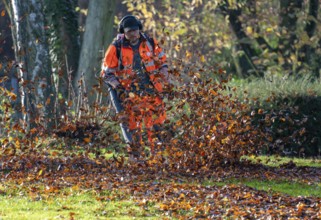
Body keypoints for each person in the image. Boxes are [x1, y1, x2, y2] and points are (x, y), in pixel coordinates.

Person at [101, 15, 169, 158]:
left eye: (135, 30)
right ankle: (135, 155)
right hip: (123, 90)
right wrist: (118, 88)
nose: (133, 33)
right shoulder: (116, 47)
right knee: (129, 123)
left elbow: (162, 61)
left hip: (149, 87)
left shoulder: (150, 42)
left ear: (139, 29)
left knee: (157, 119)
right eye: (129, 31)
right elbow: (106, 73)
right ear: (123, 32)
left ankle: (160, 153)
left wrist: (163, 74)